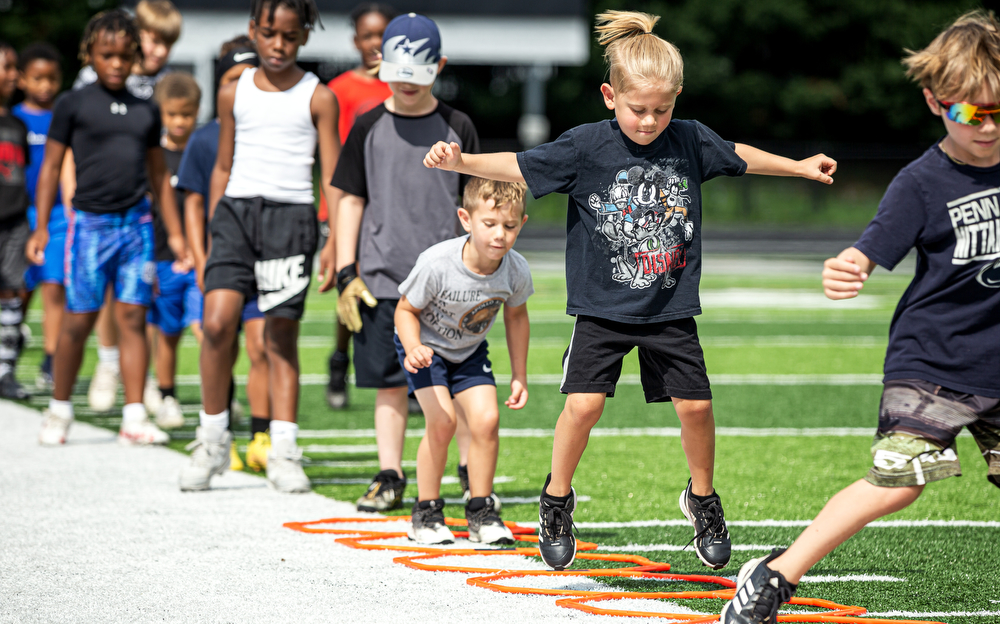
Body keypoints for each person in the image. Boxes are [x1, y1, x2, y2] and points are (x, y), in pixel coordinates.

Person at [424, 9, 837, 571]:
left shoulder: (689, 140)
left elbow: (740, 155)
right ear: (608, 96)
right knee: (584, 405)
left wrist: (800, 166)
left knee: (696, 406)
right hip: (603, 308)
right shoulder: (586, 146)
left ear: (677, 99)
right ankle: (556, 500)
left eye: (661, 110)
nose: (648, 122)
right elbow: (521, 165)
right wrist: (463, 161)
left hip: (669, 307)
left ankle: (703, 499)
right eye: (637, 109)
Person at [721, 11, 1000, 623]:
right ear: (934, 101)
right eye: (967, 111)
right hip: (932, 362)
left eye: (997, 110)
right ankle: (773, 576)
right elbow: (868, 251)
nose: (985, 125)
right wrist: (848, 266)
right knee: (901, 480)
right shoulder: (922, 183)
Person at [180, 0, 340, 493]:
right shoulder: (234, 90)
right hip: (234, 215)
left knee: (279, 338)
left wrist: (333, 240)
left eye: (289, 37)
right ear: (254, 31)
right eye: (269, 34)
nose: (278, 45)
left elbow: (331, 177)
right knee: (216, 322)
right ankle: (211, 442)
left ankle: (283, 451)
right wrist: (212, 232)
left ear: (304, 39)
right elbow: (222, 166)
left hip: (291, 219)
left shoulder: (319, 97)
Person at [333, 12, 480, 512]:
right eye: (397, 73)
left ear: (438, 67)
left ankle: (465, 471)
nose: (406, 85)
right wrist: (345, 270)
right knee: (389, 384)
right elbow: (349, 198)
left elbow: (478, 198)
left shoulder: (457, 125)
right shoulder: (368, 125)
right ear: (380, 63)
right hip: (382, 278)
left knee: (457, 384)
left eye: (417, 75)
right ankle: (390, 474)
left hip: (450, 286)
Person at [30, 10, 187, 446]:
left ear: (135, 56)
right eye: (107, 55)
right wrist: (42, 226)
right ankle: (60, 410)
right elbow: (50, 169)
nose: (116, 63)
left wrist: (175, 235)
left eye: (125, 55)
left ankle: (134, 416)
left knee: (134, 317)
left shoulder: (146, 109)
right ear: (90, 55)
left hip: (136, 228)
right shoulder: (73, 104)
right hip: (89, 228)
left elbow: (159, 178)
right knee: (79, 320)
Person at [396, 178, 532, 545]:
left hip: (469, 351)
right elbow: (405, 310)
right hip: (427, 349)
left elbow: (516, 318)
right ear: (465, 219)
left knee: (486, 421)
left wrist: (519, 374)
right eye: (490, 224)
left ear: (522, 223)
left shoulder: (515, 269)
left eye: (509, 225)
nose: (500, 235)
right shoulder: (438, 263)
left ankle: (480, 511)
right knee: (442, 422)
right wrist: (412, 348)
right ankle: (425, 512)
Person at [76, 0, 183, 414]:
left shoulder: (166, 84)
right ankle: (107, 364)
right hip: (98, 203)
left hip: (147, 207)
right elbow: (70, 143)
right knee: (104, 292)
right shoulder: (95, 78)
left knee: (145, 295)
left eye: (167, 43)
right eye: (153, 39)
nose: (158, 50)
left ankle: (151, 378)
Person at [177, 35, 272, 473]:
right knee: (220, 342)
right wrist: (200, 255)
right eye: (234, 78)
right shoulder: (206, 137)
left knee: (262, 346)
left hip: (267, 256)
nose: (243, 86)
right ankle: (221, 437)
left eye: (251, 77)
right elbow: (194, 201)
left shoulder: (274, 129)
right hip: (222, 256)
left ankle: (262, 436)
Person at [320, 1, 395, 411]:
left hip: (394, 204)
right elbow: (330, 163)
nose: (374, 44)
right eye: (367, 35)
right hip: (353, 205)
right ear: (355, 40)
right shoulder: (340, 91)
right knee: (353, 286)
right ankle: (339, 361)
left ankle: (408, 368)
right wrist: (329, 220)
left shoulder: (403, 87)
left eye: (381, 35)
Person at [146, 72, 200, 430]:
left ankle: (221, 397)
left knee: (209, 328)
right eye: (172, 115)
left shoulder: (204, 151)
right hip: (164, 257)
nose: (180, 122)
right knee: (167, 333)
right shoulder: (153, 156)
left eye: (187, 114)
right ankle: (166, 395)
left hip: (200, 258)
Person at [12, 43, 62, 394]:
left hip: (58, 216)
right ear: (22, 80)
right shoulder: (13, 119)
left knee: (55, 287)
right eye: (37, 78)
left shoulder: (64, 117)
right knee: (18, 290)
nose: (45, 85)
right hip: (18, 215)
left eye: (52, 79)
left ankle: (52, 362)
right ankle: (8, 356)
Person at [0, 42, 32, 400]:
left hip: (14, 219)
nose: (14, 75)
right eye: (7, 67)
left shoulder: (17, 124)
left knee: (12, 292)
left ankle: (6, 370)